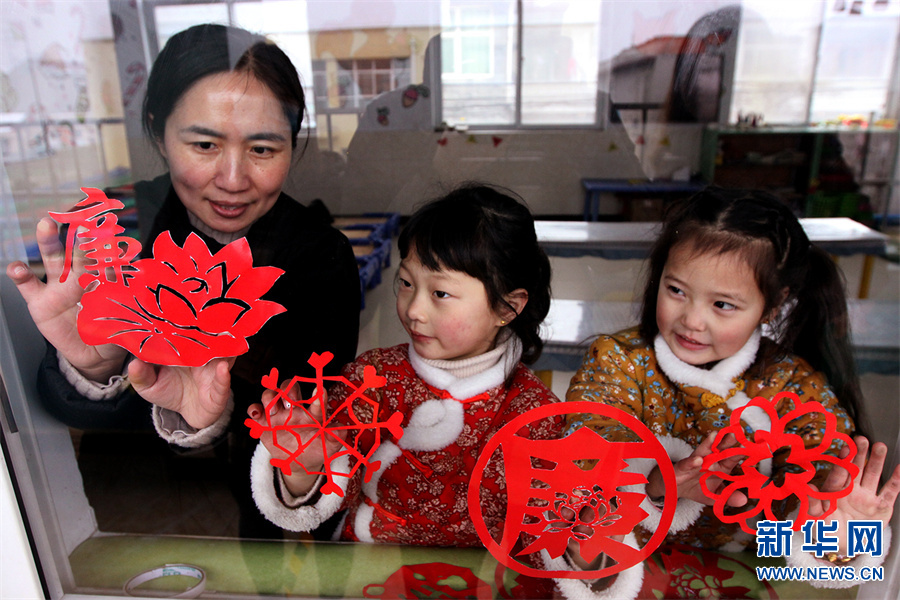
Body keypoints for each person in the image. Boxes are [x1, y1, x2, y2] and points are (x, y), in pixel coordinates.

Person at [5, 24, 361, 537]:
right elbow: (66, 413)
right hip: (133, 511)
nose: (234, 178)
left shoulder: (319, 255)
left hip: (259, 518)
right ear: (157, 130)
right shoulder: (117, 227)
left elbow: (315, 426)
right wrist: (95, 367)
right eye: (204, 144)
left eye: (263, 149)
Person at [560, 187, 900, 598]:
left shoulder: (794, 384)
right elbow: (587, 454)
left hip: (754, 577)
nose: (692, 320)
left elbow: (825, 479)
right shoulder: (617, 360)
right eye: (676, 290)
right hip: (630, 571)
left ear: (773, 306)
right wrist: (654, 483)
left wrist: (840, 533)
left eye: (722, 305)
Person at [247, 183, 561, 553]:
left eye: (440, 293)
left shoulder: (533, 412)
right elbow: (331, 487)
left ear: (507, 307)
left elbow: (544, 534)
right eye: (407, 283)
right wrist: (302, 468)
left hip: (480, 584)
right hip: (370, 572)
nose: (414, 309)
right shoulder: (373, 379)